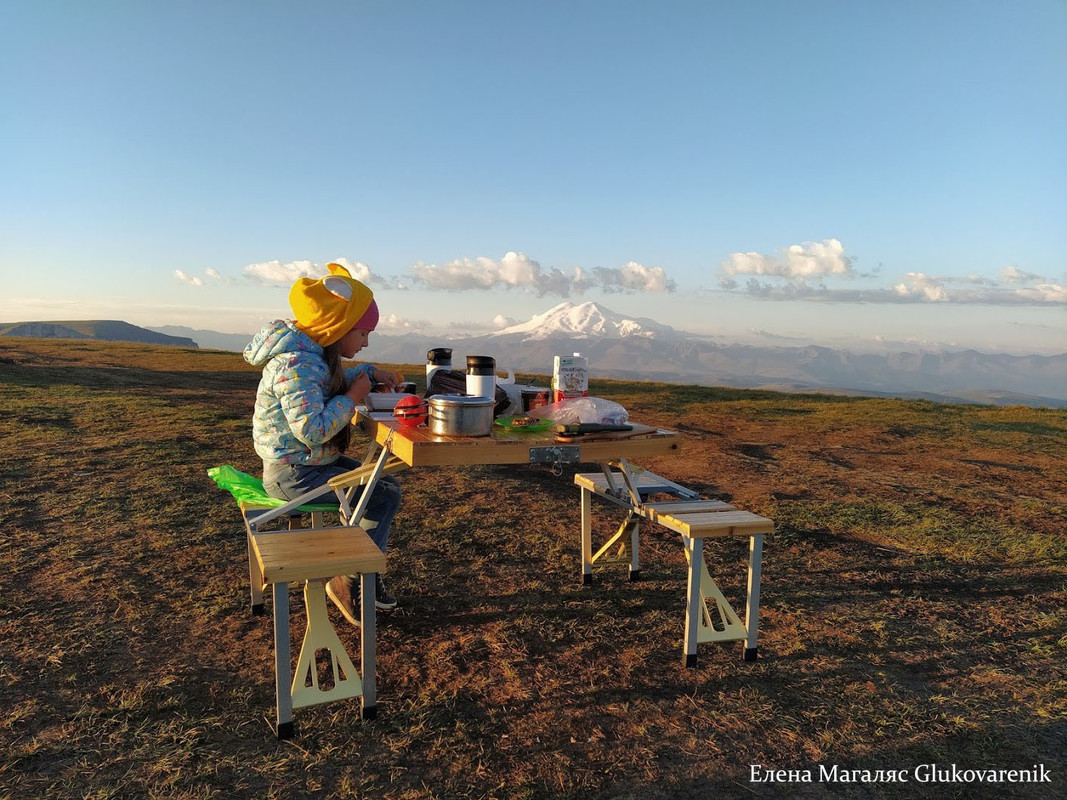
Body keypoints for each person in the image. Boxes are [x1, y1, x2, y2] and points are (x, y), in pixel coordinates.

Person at [243, 262, 402, 623]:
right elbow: (312, 430)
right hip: (294, 476)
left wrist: (370, 374)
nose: (365, 342)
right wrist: (354, 396)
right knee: (383, 494)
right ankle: (350, 580)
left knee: (383, 484)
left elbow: (333, 382)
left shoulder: (311, 356)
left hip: (310, 464)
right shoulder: (298, 365)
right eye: (362, 334)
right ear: (338, 328)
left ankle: (362, 573)